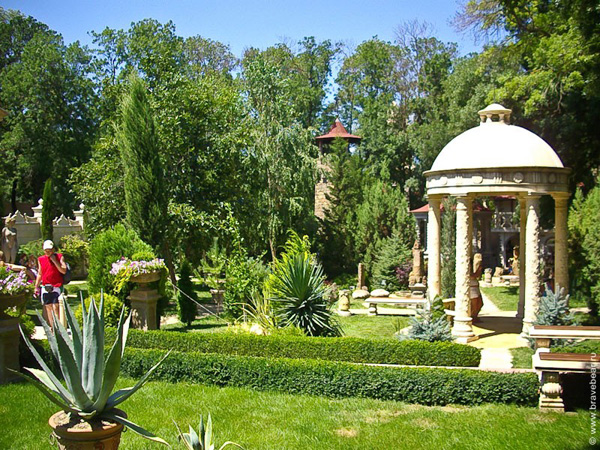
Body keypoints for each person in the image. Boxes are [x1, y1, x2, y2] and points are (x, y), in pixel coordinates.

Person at [34, 240, 67, 332]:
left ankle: (58, 327)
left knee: (56, 307)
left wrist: (55, 261)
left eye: (49, 250)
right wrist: (36, 286)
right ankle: (52, 327)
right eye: (46, 250)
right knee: (48, 307)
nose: (48, 252)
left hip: (56, 286)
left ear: (53, 249)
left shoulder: (59, 257)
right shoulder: (41, 259)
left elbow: (63, 270)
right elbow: (40, 273)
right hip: (46, 286)